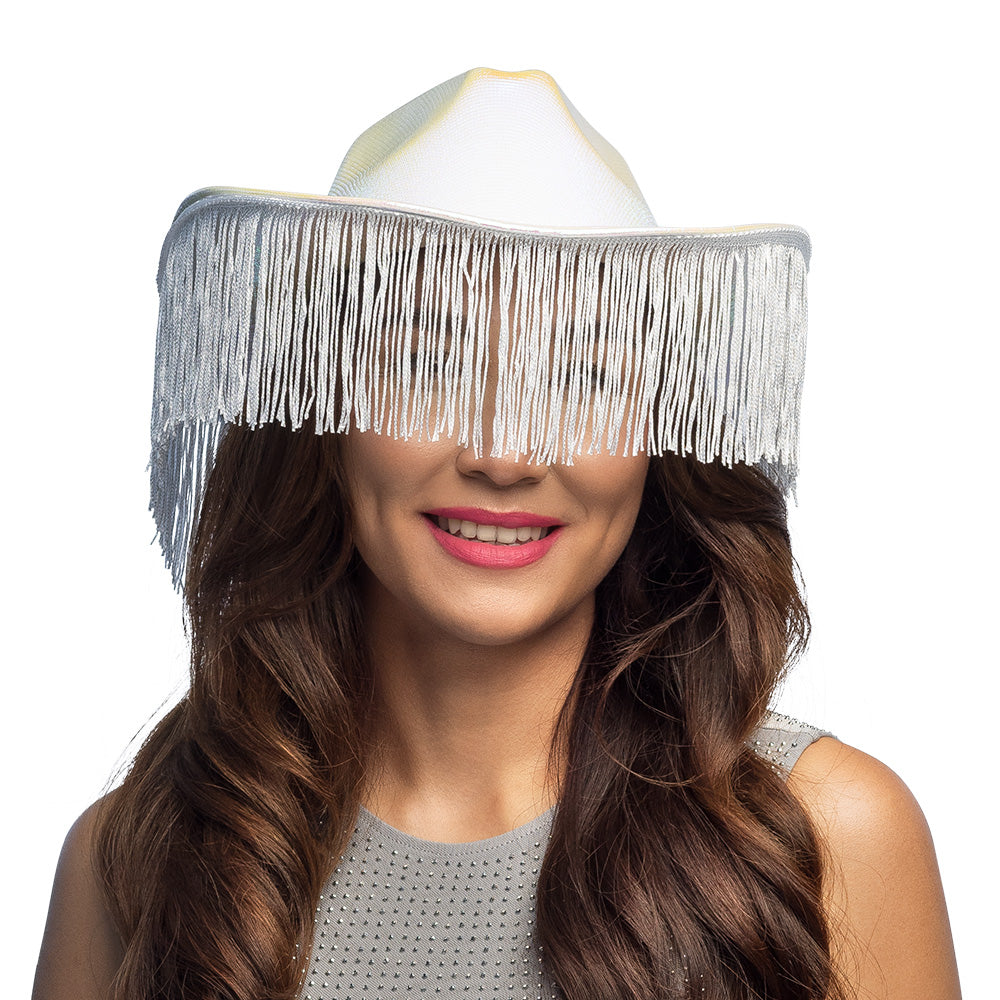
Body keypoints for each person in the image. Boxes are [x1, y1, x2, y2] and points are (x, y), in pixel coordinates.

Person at [33, 68, 960, 1000]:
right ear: (319, 409)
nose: (506, 454)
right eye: (431, 361)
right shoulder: (138, 859)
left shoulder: (829, 836)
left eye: (583, 372)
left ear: (660, 431)